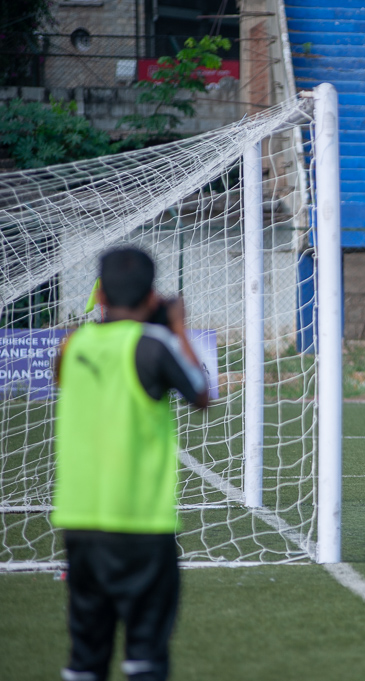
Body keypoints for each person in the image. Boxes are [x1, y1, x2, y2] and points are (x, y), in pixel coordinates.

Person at [51, 247, 208, 681]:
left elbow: (65, 378)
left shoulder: (72, 345)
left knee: (86, 655)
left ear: (99, 296)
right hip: (141, 524)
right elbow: (201, 395)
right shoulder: (154, 346)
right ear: (154, 296)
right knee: (144, 656)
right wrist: (177, 329)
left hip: (80, 523)